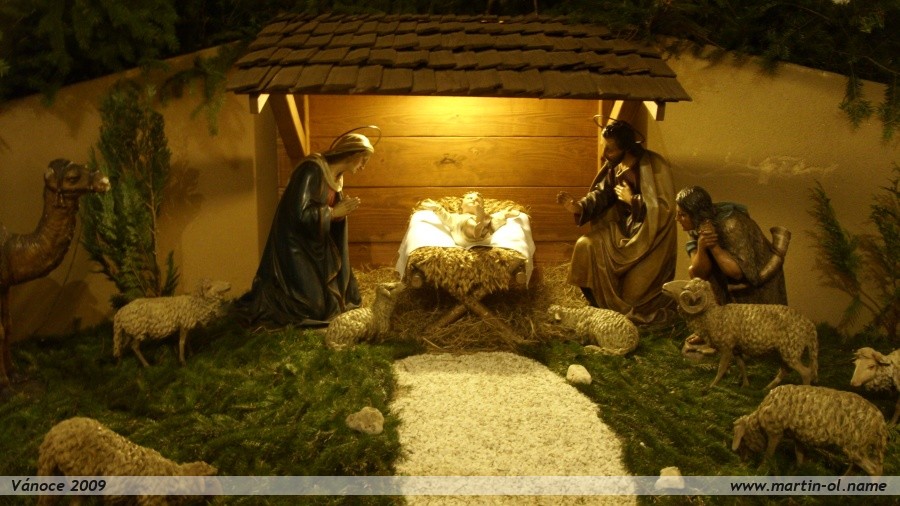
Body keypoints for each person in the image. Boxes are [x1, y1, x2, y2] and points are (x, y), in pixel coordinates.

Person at [234, 132, 374, 328]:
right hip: (295, 246)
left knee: (347, 297)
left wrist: (340, 214)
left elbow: (330, 217)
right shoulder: (312, 170)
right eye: (363, 159)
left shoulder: (336, 178)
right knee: (313, 307)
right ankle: (271, 298)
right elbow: (298, 214)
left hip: (317, 246)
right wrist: (333, 213)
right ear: (352, 154)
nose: (364, 165)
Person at [556, 119, 677, 324]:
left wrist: (634, 200)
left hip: (650, 239)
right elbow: (602, 194)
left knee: (633, 300)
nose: (605, 154)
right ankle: (597, 308)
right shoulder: (615, 167)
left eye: (610, 150)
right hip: (624, 230)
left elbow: (665, 209)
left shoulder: (655, 165)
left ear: (626, 147)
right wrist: (579, 207)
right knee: (585, 245)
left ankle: (625, 317)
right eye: (604, 147)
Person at [674, 185, 789, 345]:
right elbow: (697, 274)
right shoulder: (697, 226)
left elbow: (738, 272)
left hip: (757, 287)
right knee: (704, 288)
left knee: (758, 335)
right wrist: (702, 247)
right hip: (728, 288)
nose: (677, 219)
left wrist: (714, 247)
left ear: (696, 214)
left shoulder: (732, 224)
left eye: (682, 215)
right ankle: (712, 331)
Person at [420, 191, 520, 247]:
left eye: (478, 200)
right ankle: (477, 228)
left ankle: (480, 226)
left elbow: (497, 218)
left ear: (482, 207)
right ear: (461, 205)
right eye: (469, 198)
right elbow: (445, 216)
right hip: (464, 236)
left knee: (491, 220)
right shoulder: (456, 217)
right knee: (469, 221)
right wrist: (436, 208)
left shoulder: (487, 216)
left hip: (484, 237)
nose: (474, 200)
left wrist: (505, 214)